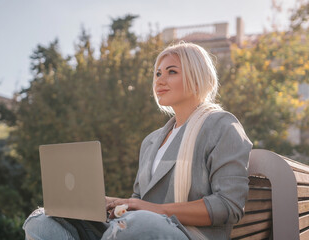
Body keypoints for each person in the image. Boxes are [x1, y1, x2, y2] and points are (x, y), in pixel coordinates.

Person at [23, 41, 252, 240]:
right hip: (136, 227)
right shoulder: (152, 141)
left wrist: (153, 210)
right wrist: (116, 204)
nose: (160, 80)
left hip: (187, 233)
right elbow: (139, 200)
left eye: (172, 72)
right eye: (157, 73)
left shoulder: (222, 126)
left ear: (197, 76)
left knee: (138, 223)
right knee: (42, 220)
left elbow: (228, 205)